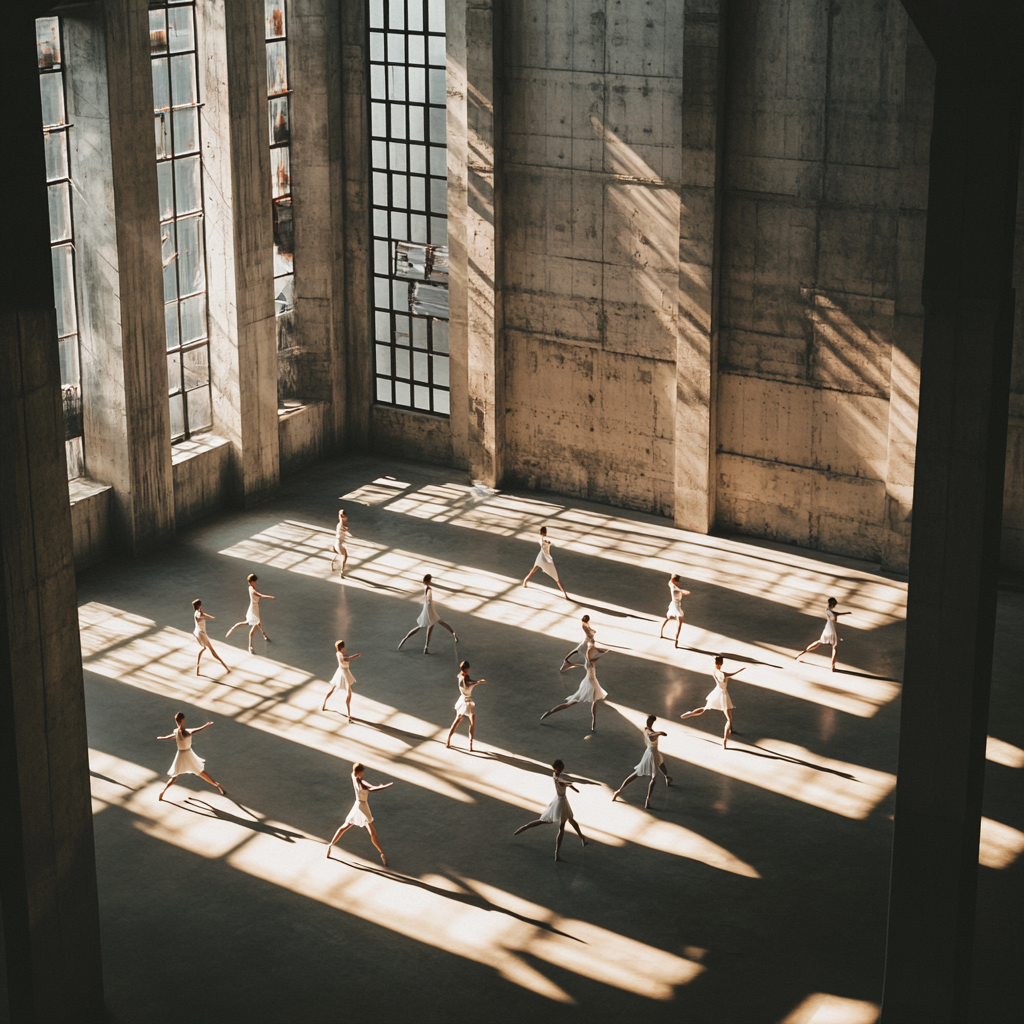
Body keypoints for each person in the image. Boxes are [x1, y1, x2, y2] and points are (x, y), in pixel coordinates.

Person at [513, 759, 587, 862]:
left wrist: (572, 787)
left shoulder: (554, 774)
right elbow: (565, 782)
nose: (563, 768)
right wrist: (574, 785)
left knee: (567, 819)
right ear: (557, 768)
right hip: (561, 803)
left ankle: (582, 837)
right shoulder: (560, 778)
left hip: (559, 800)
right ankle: (557, 852)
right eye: (561, 767)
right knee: (562, 826)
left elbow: (566, 783)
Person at [326, 763, 393, 866]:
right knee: (372, 831)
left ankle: (330, 845)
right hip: (363, 806)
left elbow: (367, 785)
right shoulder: (360, 781)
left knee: (345, 826)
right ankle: (382, 853)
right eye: (361, 773)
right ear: (359, 773)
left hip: (357, 805)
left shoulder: (353, 776)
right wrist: (384, 786)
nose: (362, 774)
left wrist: (376, 786)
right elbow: (371, 789)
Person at [679, 656, 744, 748]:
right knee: (729, 719)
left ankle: (691, 713)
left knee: (705, 708)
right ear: (720, 664)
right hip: (723, 695)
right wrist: (740, 670)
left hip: (716, 692)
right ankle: (724, 740)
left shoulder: (714, 671)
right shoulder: (722, 673)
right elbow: (731, 674)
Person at [541, 643, 608, 732]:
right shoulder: (591, 661)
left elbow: (596, 656)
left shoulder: (587, 661)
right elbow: (598, 656)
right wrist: (606, 651)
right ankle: (593, 723)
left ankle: (550, 712)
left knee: (576, 702)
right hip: (590, 683)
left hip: (589, 682)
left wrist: (602, 651)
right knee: (592, 702)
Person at [157, 713, 224, 800]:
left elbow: (172, 736)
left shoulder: (176, 731)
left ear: (178, 721)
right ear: (183, 721)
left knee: (175, 776)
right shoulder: (186, 731)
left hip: (180, 755)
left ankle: (163, 791)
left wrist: (163, 738)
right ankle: (217, 785)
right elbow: (197, 730)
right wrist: (206, 725)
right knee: (201, 772)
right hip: (188, 754)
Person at [612, 715, 672, 808]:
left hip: (650, 752)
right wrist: (659, 733)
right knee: (653, 777)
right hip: (652, 754)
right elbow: (651, 736)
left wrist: (658, 733)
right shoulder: (651, 733)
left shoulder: (646, 729)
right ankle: (648, 800)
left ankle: (667, 777)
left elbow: (650, 734)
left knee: (660, 763)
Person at [398, 574, 458, 654]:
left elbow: (427, 598)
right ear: (428, 581)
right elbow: (429, 599)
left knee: (422, 626)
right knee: (438, 622)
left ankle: (406, 638)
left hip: (426, 607)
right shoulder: (429, 589)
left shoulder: (425, 586)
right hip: (429, 608)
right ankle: (427, 646)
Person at [795, 597, 851, 672]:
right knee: (834, 647)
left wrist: (846, 613)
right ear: (833, 605)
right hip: (832, 629)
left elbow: (836, 614)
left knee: (819, 642)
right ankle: (832, 667)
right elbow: (836, 615)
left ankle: (801, 653)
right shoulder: (831, 613)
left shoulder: (828, 610)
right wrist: (846, 613)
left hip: (827, 628)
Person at [225, 574, 275, 654]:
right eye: (255, 582)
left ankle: (264, 635)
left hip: (255, 608)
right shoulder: (252, 589)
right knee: (252, 626)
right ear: (252, 582)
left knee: (258, 623)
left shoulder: (251, 587)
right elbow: (260, 595)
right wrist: (270, 597)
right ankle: (250, 646)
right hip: (253, 610)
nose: (255, 583)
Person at [446, 661, 486, 751]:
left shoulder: (460, 676)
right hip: (468, 702)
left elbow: (464, 678)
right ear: (467, 669)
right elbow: (470, 683)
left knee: (457, 720)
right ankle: (470, 745)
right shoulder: (466, 681)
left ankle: (448, 740)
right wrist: (478, 682)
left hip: (462, 700)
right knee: (472, 723)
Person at [522, 526, 569, 599]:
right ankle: (565, 594)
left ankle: (525, 581)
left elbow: (546, 543)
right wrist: (548, 543)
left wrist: (548, 542)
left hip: (541, 557)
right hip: (545, 559)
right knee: (556, 578)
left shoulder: (542, 540)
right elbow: (546, 544)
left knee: (533, 570)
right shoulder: (544, 540)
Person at [323, 640, 361, 718]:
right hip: (344, 673)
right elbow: (344, 659)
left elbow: (344, 658)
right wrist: (355, 656)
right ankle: (348, 714)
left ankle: (324, 703)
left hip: (341, 671)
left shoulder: (339, 653)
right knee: (349, 691)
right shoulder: (340, 654)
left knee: (334, 688)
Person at [191, 599, 229, 676]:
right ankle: (224, 665)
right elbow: (200, 615)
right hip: (201, 633)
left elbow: (203, 615)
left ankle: (197, 665)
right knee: (211, 649)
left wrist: (211, 617)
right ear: (200, 605)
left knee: (203, 648)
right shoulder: (197, 613)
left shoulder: (197, 612)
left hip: (197, 632)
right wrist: (206, 615)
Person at [659, 573, 692, 645]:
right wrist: (685, 592)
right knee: (679, 621)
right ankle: (676, 638)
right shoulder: (676, 589)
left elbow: (672, 582)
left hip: (673, 604)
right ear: (674, 580)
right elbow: (682, 592)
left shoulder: (671, 584)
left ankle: (661, 630)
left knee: (669, 618)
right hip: (676, 605)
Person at [330, 509, 350, 577]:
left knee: (339, 553)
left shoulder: (339, 524)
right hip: (339, 543)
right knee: (345, 556)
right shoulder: (341, 523)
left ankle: (332, 561)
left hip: (336, 542)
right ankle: (342, 571)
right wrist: (348, 532)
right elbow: (343, 528)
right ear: (342, 516)